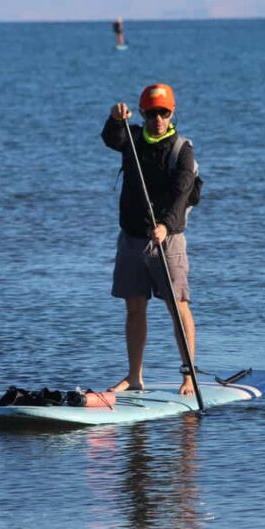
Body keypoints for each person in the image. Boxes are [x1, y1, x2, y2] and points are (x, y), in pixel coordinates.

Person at [101, 83, 197, 395]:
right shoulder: (131, 138)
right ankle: (134, 377)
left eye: (164, 112)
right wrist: (116, 118)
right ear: (143, 113)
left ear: (172, 113)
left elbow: (182, 194)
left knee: (177, 306)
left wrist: (166, 227)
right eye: (152, 112)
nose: (158, 118)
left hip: (168, 240)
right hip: (131, 236)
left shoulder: (182, 150)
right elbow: (110, 138)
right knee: (134, 307)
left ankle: (188, 376)